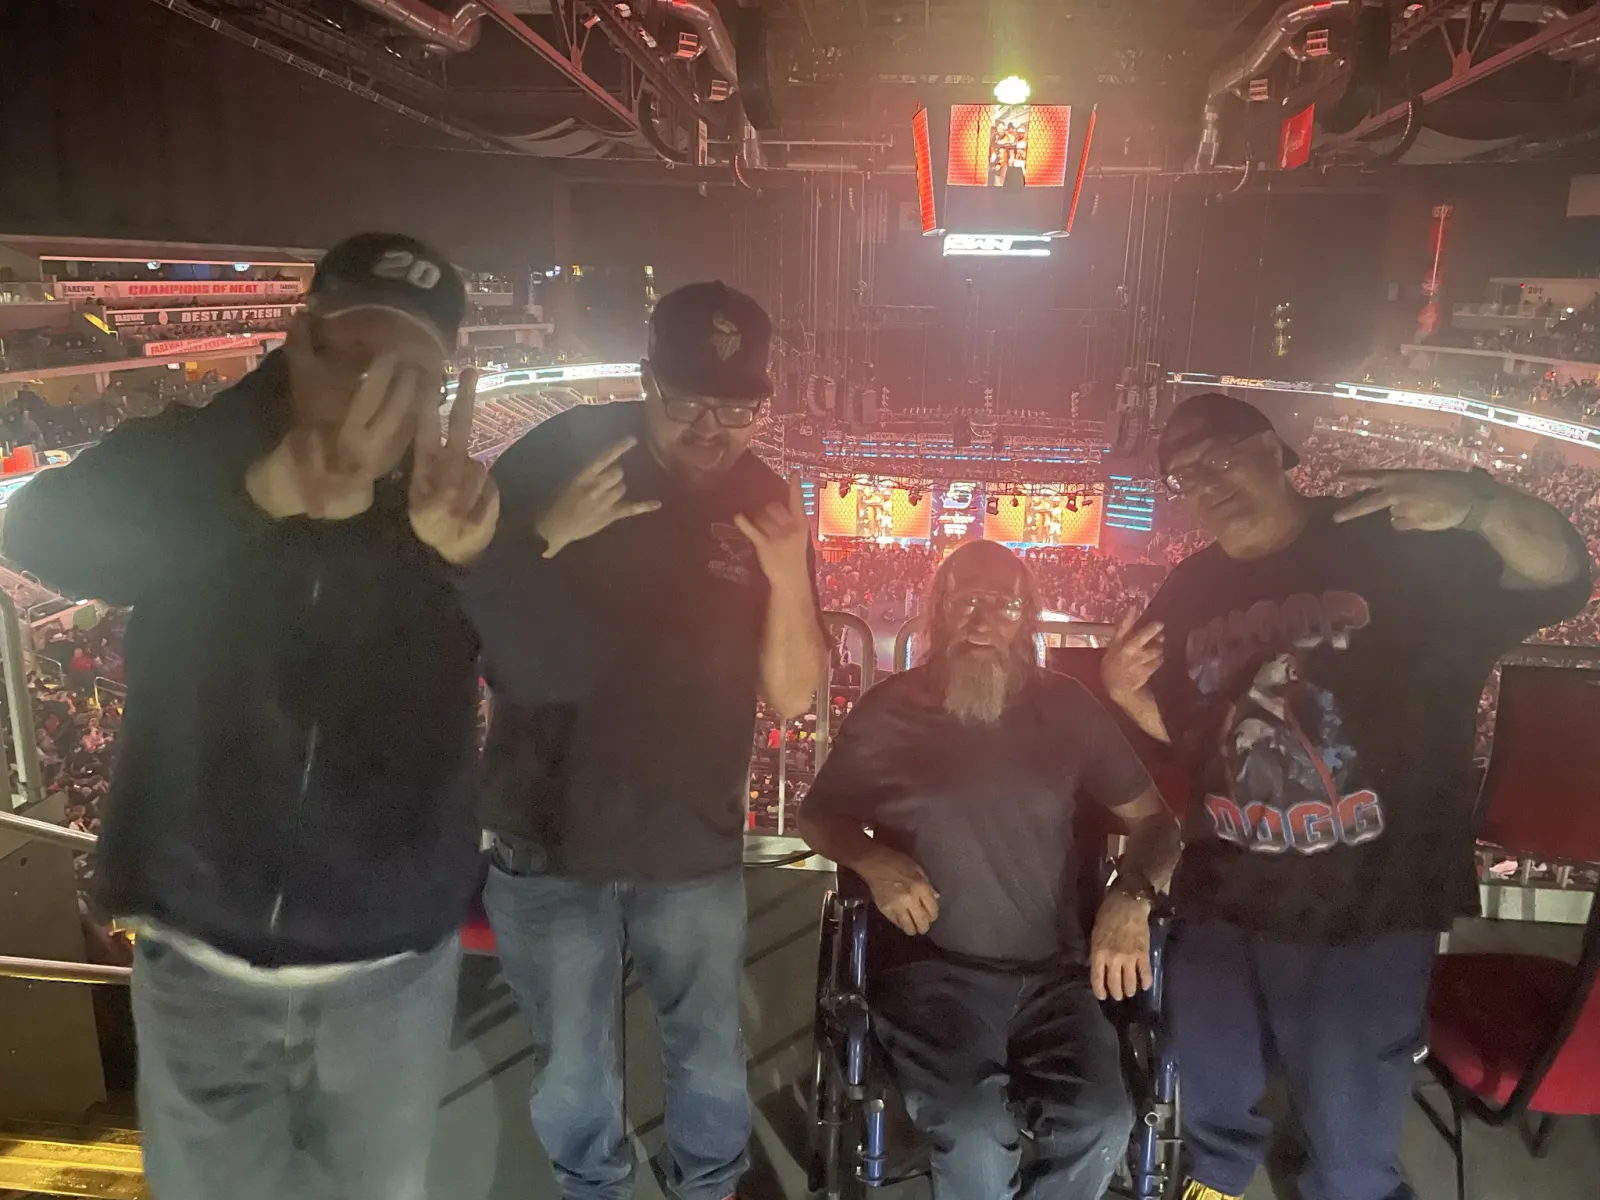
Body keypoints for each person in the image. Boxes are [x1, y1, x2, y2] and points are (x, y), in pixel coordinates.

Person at [4, 233, 512, 1200]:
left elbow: (546, 669)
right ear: (300, 337)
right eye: (358, 358)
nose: (380, 396)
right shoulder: (196, 449)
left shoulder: (458, 500)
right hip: (201, 952)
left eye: (412, 372)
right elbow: (41, 532)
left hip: (390, 967)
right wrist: (259, 491)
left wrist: (472, 566)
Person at [1101, 393, 1593, 1200]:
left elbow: (1558, 579)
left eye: (1219, 458)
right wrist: (1128, 698)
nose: (1203, 483)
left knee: (1350, 1136)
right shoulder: (1189, 588)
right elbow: (1197, 738)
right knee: (1213, 1079)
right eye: (1183, 475)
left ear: (1273, 450)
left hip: (1367, 900)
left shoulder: (1391, 542)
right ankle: (1218, 1182)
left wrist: (1480, 504)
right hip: (1224, 890)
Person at [469, 280, 828, 1200]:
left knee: (710, 1057)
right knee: (574, 1072)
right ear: (644, 379)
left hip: (688, 838)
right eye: (689, 402)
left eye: (740, 407)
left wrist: (788, 574)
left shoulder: (765, 495)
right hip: (548, 828)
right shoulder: (562, 449)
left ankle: (707, 1191)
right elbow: (457, 594)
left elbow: (791, 693)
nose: (713, 428)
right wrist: (543, 536)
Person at [798, 540, 1181, 1200]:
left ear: (1025, 617)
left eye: (1000, 604)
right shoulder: (889, 710)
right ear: (937, 612)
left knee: (1101, 1120)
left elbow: (1156, 824)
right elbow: (818, 817)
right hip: (932, 973)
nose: (980, 620)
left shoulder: (1069, 708)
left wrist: (1132, 895)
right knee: (972, 1124)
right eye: (964, 601)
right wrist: (871, 858)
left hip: (1060, 977)